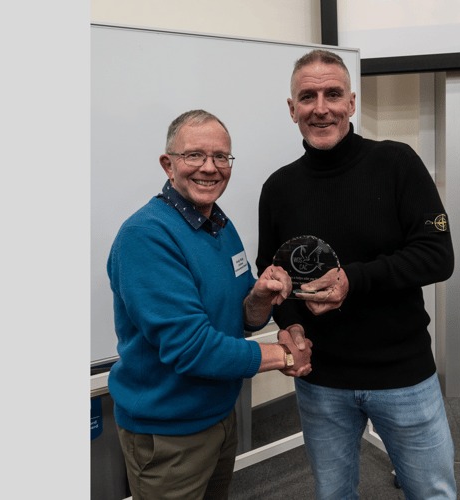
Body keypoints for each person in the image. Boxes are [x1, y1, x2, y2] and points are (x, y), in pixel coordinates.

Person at [256, 50, 457, 500]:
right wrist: (288, 323)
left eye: (333, 94)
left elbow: (437, 255)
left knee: (432, 493)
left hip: (403, 375)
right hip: (321, 381)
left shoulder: (397, 163)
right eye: (307, 96)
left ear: (352, 102)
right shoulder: (278, 188)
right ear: (292, 109)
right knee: (334, 495)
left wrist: (353, 280)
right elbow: (272, 275)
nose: (320, 107)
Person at [107, 109, 312, 500]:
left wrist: (258, 297)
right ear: (169, 165)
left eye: (221, 156)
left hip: (219, 414)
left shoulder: (218, 222)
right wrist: (286, 356)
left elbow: (241, 320)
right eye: (194, 156)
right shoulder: (145, 237)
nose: (210, 167)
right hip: (169, 432)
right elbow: (191, 347)